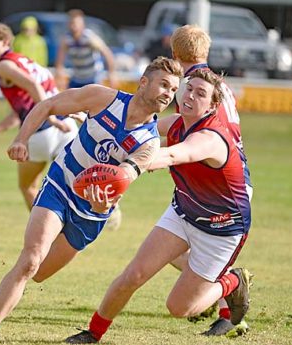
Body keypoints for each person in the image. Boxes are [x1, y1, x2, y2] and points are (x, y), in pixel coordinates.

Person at [0, 56, 182, 345]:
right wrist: (21, 139)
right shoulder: (102, 98)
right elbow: (47, 105)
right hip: (61, 184)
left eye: (173, 89)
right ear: (143, 82)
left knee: (40, 274)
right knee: (30, 261)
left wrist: (102, 204)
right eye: (164, 85)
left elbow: (121, 181)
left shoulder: (149, 143)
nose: (169, 93)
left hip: (91, 214)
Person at [64, 69, 252, 344]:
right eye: (189, 88)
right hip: (183, 212)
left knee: (180, 307)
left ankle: (233, 281)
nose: (190, 96)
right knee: (134, 274)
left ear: (212, 106)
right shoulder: (176, 122)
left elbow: (174, 154)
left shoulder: (211, 138)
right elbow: (136, 133)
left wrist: (129, 168)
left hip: (221, 228)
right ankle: (93, 333)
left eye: (200, 94)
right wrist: (97, 127)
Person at [169, 24, 253, 336]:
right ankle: (219, 301)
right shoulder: (219, 85)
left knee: (181, 249)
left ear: (174, 54)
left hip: (215, 182)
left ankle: (227, 297)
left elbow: (188, 129)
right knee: (173, 246)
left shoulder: (190, 86)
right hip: (230, 173)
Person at [0, 19, 77, 210]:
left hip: (41, 132)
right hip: (67, 126)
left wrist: (50, 118)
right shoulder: (24, 61)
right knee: (69, 189)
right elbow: (19, 113)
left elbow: (33, 86)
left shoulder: (4, 66)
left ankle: (46, 227)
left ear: (5, 42)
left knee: (28, 187)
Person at [55, 9, 118, 90]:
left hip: (93, 77)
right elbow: (59, 62)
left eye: (76, 23)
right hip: (77, 77)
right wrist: (59, 75)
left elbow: (107, 53)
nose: (74, 26)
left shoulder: (89, 37)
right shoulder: (66, 40)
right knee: (69, 96)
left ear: (82, 24)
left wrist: (112, 73)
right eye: (71, 23)